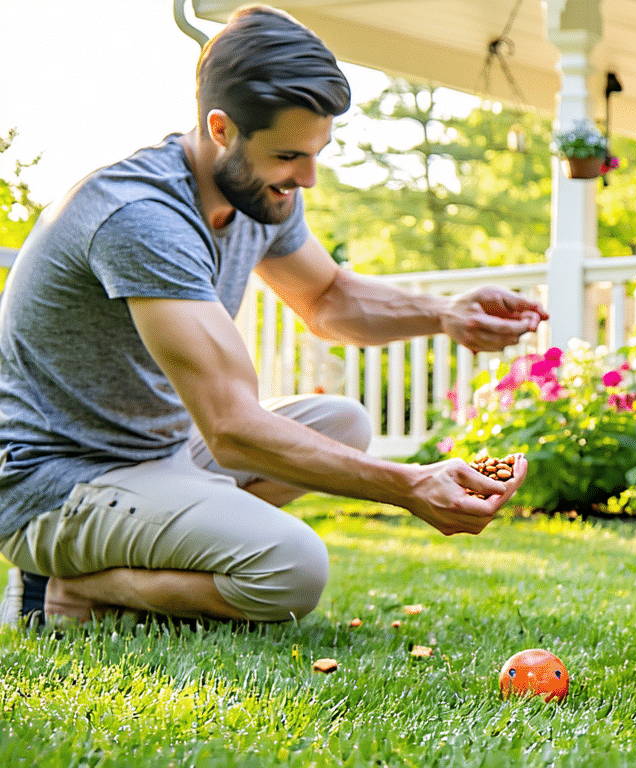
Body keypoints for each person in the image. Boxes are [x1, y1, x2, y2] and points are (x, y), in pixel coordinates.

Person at [0, 5, 548, 627]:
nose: (308, 178)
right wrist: (409, 484)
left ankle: (138, 546)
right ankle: (72, 593)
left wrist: (446, 314)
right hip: (54, 483)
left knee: (343, 423)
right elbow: (231, 427)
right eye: (290, 154)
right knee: (291, 568)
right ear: (221, 128)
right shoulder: (142, 218)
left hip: (160, 452)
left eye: (317, 152)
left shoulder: (259, 192)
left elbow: (329, 298)